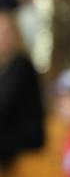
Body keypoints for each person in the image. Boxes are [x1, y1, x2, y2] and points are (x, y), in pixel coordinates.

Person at [0, 10, 44, 167]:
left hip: (25, 135)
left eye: (6, 32)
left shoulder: (21, 64)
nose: (2, 37)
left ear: (15, 34)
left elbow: (4, 103)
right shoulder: (5, 67)